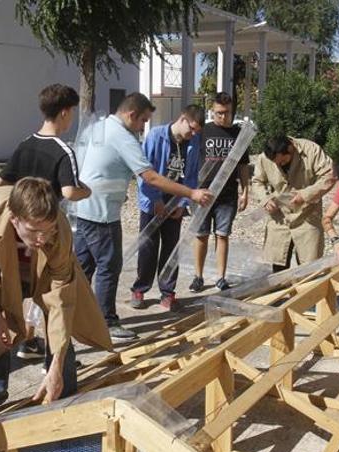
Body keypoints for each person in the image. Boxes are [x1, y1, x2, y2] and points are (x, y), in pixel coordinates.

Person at [74, 92, 213, 341]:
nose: (143, 127)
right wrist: (191, 193)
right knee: (109, 267)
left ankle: (73, 316)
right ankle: (106, 321)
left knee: (83, 267)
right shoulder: (124, 137)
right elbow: (149, 176)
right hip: (102, 214)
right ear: (131, 115)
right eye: (142, 121)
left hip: (83, 210)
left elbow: (81, 161)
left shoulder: (97, 127)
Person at [0, 177, 112, 418]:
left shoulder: (60, 229)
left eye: (48, 230)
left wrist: (55, 363)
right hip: (6, 273)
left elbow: (60, 299)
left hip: (44, 273)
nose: (42, 239)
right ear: (15, 219)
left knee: (61, 325)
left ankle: (62, 387)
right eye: (34, 231)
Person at [0, 83, 91, 362]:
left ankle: (26, 342)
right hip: (47, 233)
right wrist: (89, 190)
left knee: (16, 291)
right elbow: (71, 192)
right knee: (54, 296)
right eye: (71, 112)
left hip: (20, 232)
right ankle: (56, 359)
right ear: (64, 113)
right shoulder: (63, 150)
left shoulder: (25, 144)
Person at [129, 105, 204, 311]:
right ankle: (140, 288)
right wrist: (155, 200)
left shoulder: (193, 141)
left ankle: (168, 292)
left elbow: (191, 175)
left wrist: (183, 203)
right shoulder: (155, 136)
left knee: (171, 248)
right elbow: (144, 173)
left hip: (175, 201)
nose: (193, 134)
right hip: (152, 202)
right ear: (182, 119)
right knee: (147, 247)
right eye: (192, 129)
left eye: (197, 131)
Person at [190, 92, 250, 293]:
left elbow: (243, 166)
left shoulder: (239, 135)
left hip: (228, 194)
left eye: (226, 113)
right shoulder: (203, 132)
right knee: (201, 235)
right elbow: (191, 161)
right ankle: (198, 277)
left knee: (222, 235)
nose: (222, 117)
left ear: (233, 111)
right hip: (203, 193)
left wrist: (245, 191)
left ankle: (220, 277)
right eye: (218, 113)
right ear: (212, 111)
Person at [252, 135, 336, 272]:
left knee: (309, 265)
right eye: (276, 163)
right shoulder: (265, 157)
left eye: (283, 161)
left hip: (307, 215)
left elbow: (329, 176)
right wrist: (265, 199)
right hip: (279, 217)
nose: (279, 165)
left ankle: (305, 293)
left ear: (291, 148)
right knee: (278, 263)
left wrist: (305, 195)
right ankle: (281, 291)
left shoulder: (312, 150)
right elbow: (257, 181)